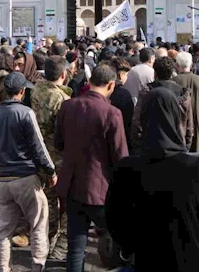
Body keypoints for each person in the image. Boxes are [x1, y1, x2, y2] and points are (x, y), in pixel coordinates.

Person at [106, 87, 199, 272]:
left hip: (149, 260)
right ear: (177, 118)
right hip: (197, 260)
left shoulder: (127, 169)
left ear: (143, 119)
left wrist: (129, 246)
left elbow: (114, 218)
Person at [54, 64, 128, 272]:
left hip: (72, 186)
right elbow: (120, 157)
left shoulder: (68, 106)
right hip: (101, 190)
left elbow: (58, 143)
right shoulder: (112, 113)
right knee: (121, 239)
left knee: (76, 246)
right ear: (111, 84)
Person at [0, 72, 57, 272]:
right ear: (22, 91)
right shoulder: (26, 113)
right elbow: (38, 146)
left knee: (4, 232)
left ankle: (3, 269)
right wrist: (50, 170)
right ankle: (37, 266)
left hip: (5, 180)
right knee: (38, 226)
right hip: (26, 178)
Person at [30, 56, 72, 261]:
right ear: (63, 75)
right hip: (57, 155)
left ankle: (44, 236)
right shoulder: (62, 100)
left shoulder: (36, 90)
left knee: (46, 198)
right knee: (62, 199)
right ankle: (54, 240)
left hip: (38, 152)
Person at [131, 56, 194, 153]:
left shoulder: (146, 92)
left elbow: (137, 122)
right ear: (171, 73)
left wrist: (138, 145)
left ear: (155, 73)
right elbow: (189, 124)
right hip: (178, 145)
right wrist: (186, 145)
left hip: (151, 146)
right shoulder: (183, 93)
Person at [108, 57, 134, 153]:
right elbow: (129, 120)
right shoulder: (124, 94)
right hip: (120, 140)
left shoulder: (104, 90)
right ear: (121, 75)